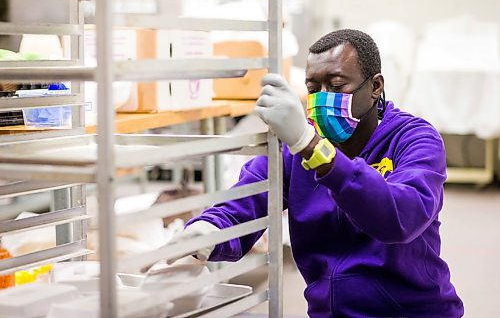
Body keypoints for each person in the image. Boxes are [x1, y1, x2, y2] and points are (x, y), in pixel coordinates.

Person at [177, 29, 464, 317]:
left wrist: (311, 147)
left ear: (375, 86)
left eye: (337, 85)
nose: (323, 99)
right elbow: (246, 203)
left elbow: (399, 218)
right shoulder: (295, 148)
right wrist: (203, 234)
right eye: (313, 89)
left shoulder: (415, 139)